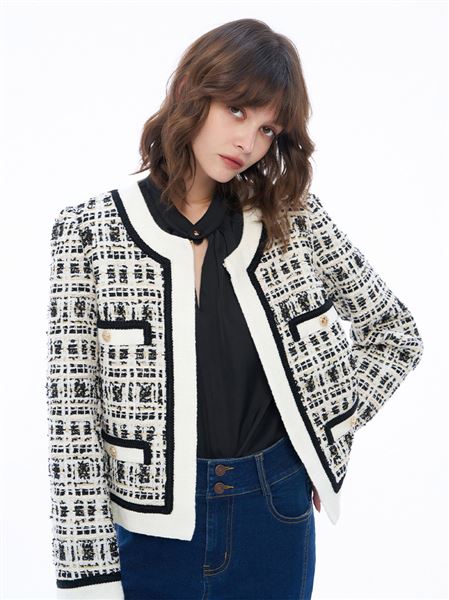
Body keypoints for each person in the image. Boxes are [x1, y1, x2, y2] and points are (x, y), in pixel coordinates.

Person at [45, 18, 424, 600]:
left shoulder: (291, 219)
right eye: (237, 110)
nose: (248, 142)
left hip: (274, 510)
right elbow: (72, 412)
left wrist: (323, 437)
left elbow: (395, 333)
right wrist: (88, 573)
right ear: (192, 93)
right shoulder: (88, 231)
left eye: (268, 128)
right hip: (148, 530)